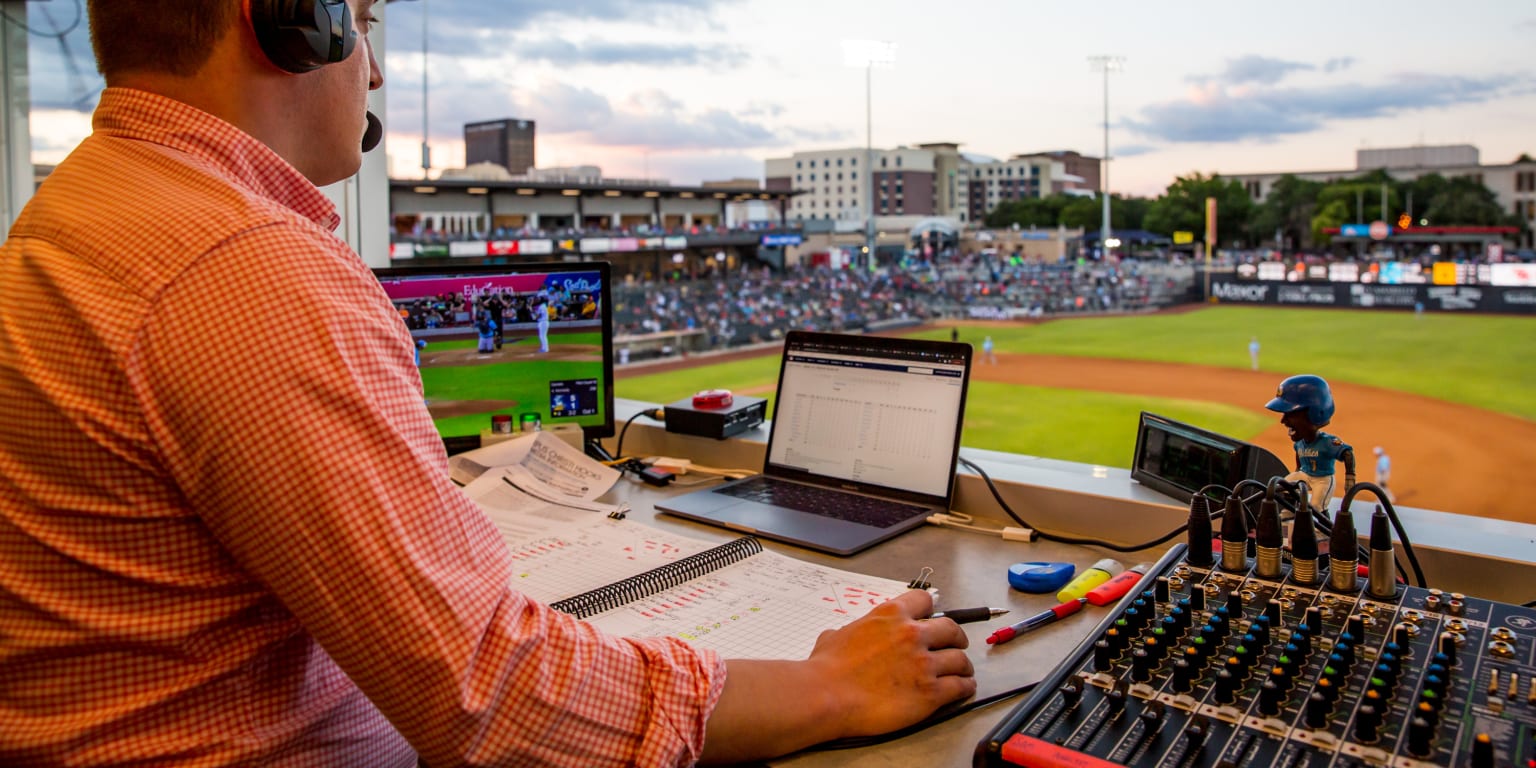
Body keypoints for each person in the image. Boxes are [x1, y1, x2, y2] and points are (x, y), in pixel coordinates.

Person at [0, 2, 974, 766]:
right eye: (367, 23)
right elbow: (489, 693)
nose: (374, 69)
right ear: (293, 19)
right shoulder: (243, 264)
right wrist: (832, 688)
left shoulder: (77, 214)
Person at [1265, 374, 1356, 513]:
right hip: (1305, 475)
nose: (1283, 421)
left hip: (1322, 479)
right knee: (1282, 485)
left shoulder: (1327, 443)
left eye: (1290, 414)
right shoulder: (1300, 443)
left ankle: (1321, 530)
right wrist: (1297, 471)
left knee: (1316, 507)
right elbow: (1298, 452)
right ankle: (1289, 512)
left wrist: (1350, 479)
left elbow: (1348, 453)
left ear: (1315, 413)